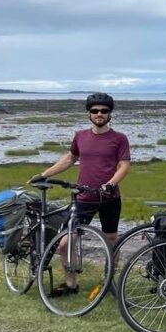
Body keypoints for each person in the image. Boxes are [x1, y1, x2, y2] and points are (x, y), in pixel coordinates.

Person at [30, 92, 130, 296]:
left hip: (110, 198)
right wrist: (44, 174)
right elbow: (70, 158)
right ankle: (70, 284)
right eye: (95, 110)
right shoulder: (80, 136)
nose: (99, 114)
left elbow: (124, 166)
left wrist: (110, 184)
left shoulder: (119, 138)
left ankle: (109, 280)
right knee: (65, 243)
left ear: (110, 114)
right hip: (84, 197)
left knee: (112, 239)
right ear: (89, 114)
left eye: (104, 110)